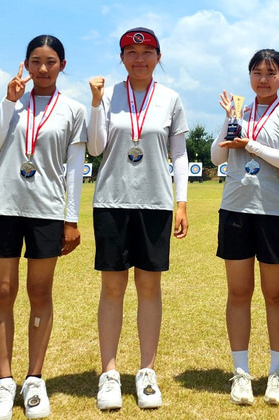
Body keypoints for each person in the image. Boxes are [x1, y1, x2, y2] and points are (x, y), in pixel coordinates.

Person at [0, 34, 87, 420]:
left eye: (51, 61)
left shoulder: (73, 109)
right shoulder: (12, 102)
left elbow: (74, 170)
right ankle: (4, 382)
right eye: (36, 61)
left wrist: (71, 219)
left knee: (39, 291)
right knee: (3, 292)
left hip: (46, 210)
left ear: (62, 65)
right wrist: (8, 101)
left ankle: (34, 379)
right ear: (25, 63)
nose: (43, 69)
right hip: (4, 207)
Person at [87, 27, 189, 411]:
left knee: (149, 288)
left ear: (158, 57)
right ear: (122, 58)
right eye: (131, 52)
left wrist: (181, 203)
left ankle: (146, 371)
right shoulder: (108, 94)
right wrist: (96, 103)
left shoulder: (171, 98)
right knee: (112, 289)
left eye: (147, 52)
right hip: (112, 201)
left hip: (155, 204)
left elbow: (178, 155)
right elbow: (96, 148)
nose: (139, 59)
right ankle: (109, 373)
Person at [211, 49, 279, 406]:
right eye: (256, 72)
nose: (263, 79)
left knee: (275, 295)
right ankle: (241, 374)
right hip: (235, 210)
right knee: (238, 294)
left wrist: (249, 143)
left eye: (271, 72)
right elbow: (217, 157)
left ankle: (277, 375)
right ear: (249, 76)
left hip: (274, 213)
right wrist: (229, 120)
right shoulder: (240, 112)